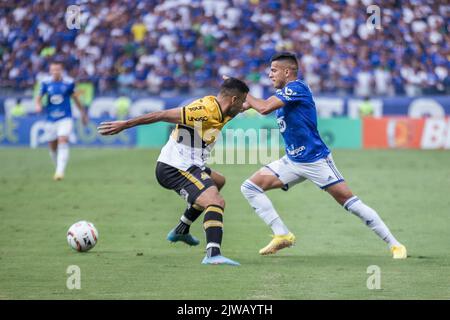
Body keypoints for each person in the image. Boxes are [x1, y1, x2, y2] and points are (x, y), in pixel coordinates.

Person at [239, 52, 407, 259]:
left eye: (273, 70)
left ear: (287, 71)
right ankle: (282, 234)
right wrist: (240, 103)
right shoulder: (285, 94)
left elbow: (263, 108)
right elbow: (258, 105)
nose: (270, 75)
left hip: (315, 160)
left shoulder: (297, 88)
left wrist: (241, 90)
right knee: (250, 187)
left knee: (350, 202)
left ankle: (395, 244)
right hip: (292, 161)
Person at [98, 78, 249, 266]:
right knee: (215, 201)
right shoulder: (203, 111)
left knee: (218, 181)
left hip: (192, 163)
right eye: (242, 101)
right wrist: (125, 124)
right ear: (233, 100)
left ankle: (181, 229)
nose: (244, 105)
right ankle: (213, 253)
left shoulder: (226, 108)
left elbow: (250, 104)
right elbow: (161, 115)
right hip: (175, 167)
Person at [35, 61, 89, 181]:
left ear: (62, 70)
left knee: (63, 140)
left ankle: (60, 172)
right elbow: (38, 98)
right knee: (53, 147)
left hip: (65, 118)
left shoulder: (69, 83)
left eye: (58, 69)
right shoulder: (45, 83)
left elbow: (75, 98)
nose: (55, 72)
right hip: (50, 119)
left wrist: (82, 113)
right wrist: (38, 105)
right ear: (50, 71)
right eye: (53, 70)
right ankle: (58, 168)